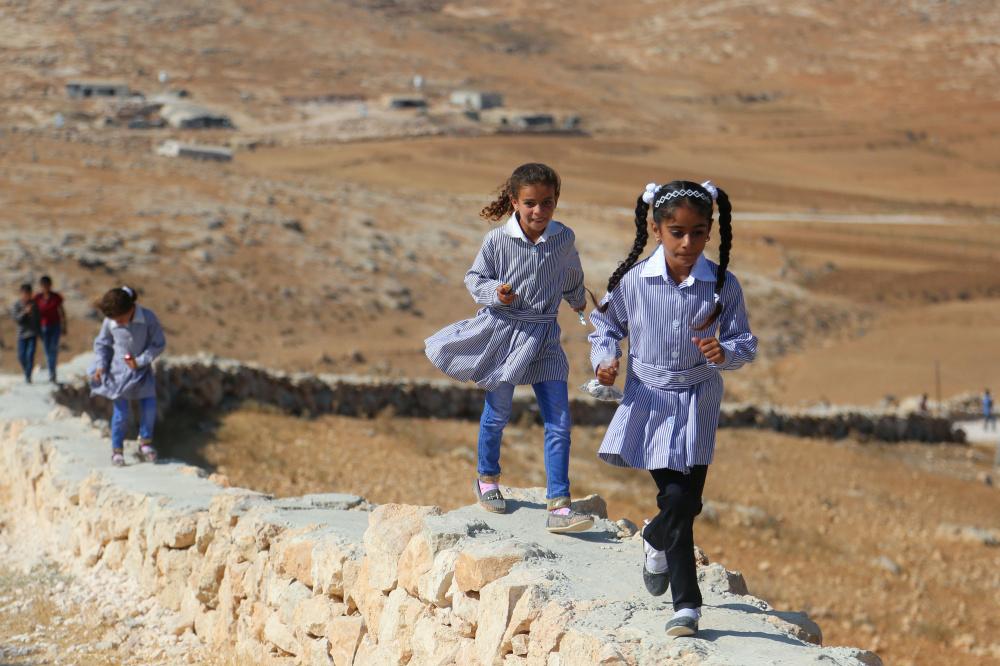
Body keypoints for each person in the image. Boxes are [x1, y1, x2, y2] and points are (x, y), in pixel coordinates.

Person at [589, 180, 757, 637]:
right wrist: (605, 361)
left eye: (698, 232)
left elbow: (744, 341)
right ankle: (687, 606)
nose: (687, 243)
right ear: (656, 229)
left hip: (699, 400)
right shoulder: (634, 282)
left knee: (689, 502)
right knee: (677, 499)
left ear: (710, 232)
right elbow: (605, 327)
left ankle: (654, 536)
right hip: (650, 399)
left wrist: (725, 352)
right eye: (677, 232)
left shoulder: (722, 285)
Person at [425, 163, 593, 534]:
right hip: (505, 335)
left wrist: (580, 303)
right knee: (498, 412)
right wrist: (495, 293)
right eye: (530, 203)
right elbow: (475, 278)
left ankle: (560, 504)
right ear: (515, 202)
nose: (539, 211)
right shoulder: (497, 241)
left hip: (544, 337)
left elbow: (570, 276)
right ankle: (487, 479)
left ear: (556, 201)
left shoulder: (564, 238)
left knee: (559, 421)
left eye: (547, 203)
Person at [89, 286, 166, 467]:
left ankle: (145, 443)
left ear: (131, 308)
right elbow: (102, 344)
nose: (119, 323)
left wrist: (140, 361)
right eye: (116, 320)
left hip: (142, 372)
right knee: (121, 414)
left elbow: (158, 344)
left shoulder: (147, 318)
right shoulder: (110, 322)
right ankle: (117, 451)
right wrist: (101, 365)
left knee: (149, 407)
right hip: (118, 375)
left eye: (121, 319)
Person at [33, 275, 67, 383]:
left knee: (53, 348)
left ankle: (52, 372)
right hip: (43, 327)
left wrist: (64, 325)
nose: (45, 287)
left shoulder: (56, 297)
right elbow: (34, 313)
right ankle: (51, 371)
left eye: (47, 285)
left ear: (50, 285)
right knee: (47, 350)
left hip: (55, 326)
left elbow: (62, 311)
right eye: (43, 285)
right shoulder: (37, 298)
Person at [11, 283, 40, 383]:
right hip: (21, 334)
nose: (25, 296)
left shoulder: (34, 305)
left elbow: (38, 319)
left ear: (31, 294)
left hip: (32, 334)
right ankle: (27, 371)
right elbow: (17, 319)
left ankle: (28, 376)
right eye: (24, 293)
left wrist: (31, 313)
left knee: (30, 354)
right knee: (21, 356)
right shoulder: (17, 305)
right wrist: (25, 312)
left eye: (27, 293)